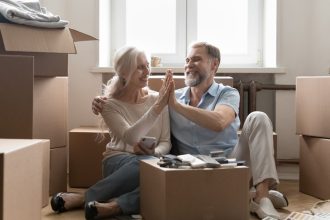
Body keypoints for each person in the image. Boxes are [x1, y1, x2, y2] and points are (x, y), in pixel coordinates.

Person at [92, 42, 288, 219]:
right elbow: (143, 107)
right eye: (187, 60)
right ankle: (247, 197)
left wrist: (176, 106)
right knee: (160, 182)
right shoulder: (172, 97)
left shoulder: (226, 93)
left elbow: (219, 121)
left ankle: (262, 198)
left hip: (232, 165)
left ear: (214, 65)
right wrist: (101, 101)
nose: (189, 64)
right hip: (191, 172)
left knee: (258, 117)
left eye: (196, 59)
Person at [51, 46, 172, 220]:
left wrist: (154, 153)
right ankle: (90, 197)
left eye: (147, 65)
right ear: (123, 72)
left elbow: (166, 142)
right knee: (146, 166)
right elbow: (131, 138)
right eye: (140, 67)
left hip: (151, 161)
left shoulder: (157, 99)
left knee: (159, 183)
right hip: (118, 163)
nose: (147, 71)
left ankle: (112, 206)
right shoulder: (109, 104)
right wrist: (158, 107)